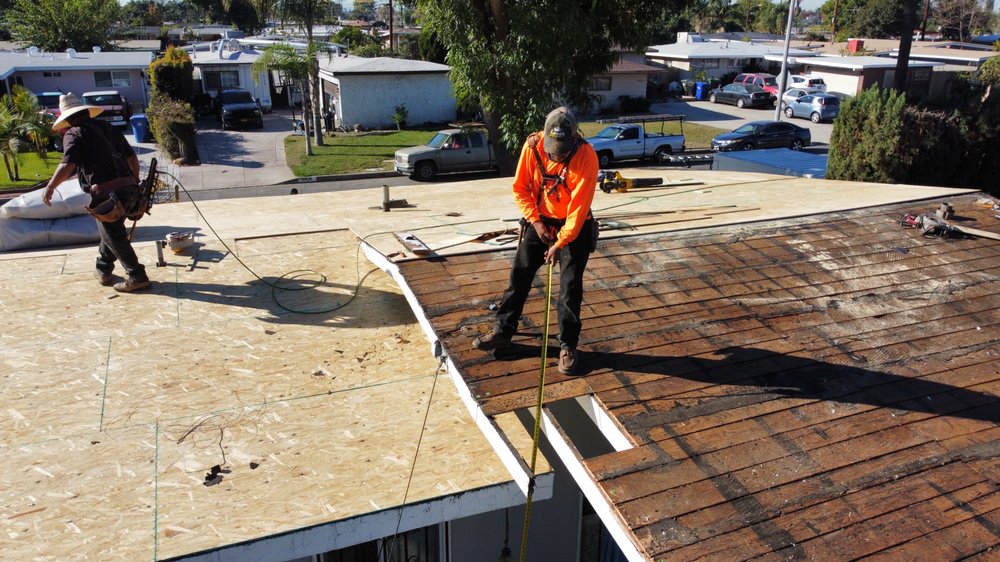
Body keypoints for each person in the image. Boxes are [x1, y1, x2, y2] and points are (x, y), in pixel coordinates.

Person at [473, 106, 599, 375]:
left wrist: (559, 243)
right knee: (518, 276)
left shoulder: (587, 156)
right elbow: (520, 188)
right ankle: (503, 332)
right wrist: (536, 222)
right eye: (554, 147)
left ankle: (567, 345)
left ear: (575, 138)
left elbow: (578, 210)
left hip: (573, 227)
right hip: (540, 220)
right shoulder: (532, 147)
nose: (558, 153)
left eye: (564, 148)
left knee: (569, 288)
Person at [42, 93, 151, 293]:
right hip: (129, 190)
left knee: (114, 235)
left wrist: (51, 187)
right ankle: (103, 269)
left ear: (67, 118)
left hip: (107, 195)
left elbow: (68, 164)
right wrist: (134, 183)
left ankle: (137, 276)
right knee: (109, 231)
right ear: (86, 112)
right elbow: (132, 159)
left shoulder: (73, 133)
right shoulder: (109, 128)